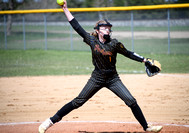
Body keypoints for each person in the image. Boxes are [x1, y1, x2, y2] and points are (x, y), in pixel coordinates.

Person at [39, 1, 163, 133]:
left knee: (131, 101)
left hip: (113, 79)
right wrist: (65, 9)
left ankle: (147, 127)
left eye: (109, 28)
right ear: (97, 30)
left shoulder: (114, 44)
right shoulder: (92, 40)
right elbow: (76, 26)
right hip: (96, 78)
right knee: (78, 102)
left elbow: (128, 53)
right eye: (104, 28)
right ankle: (49, 122)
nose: (107, 29)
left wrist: (144, 60)